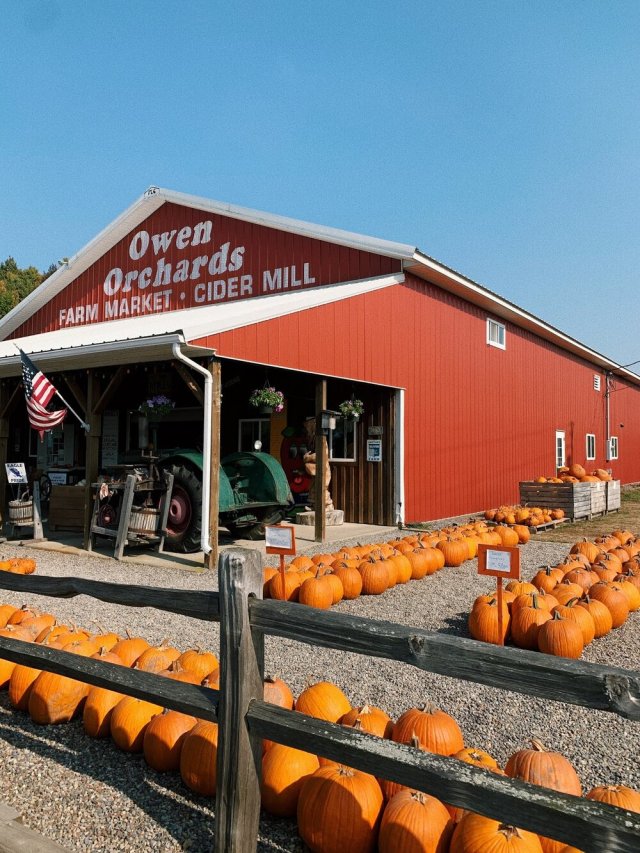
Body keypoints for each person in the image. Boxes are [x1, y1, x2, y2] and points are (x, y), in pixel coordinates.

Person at [302, 416, 334, 512]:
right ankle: (314, 505)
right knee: (314, 488)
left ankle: (328, 505)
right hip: (316, 470)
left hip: (323, 469)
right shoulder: (313, 439)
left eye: (308, 426)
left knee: (322, 488)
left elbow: (321, 454)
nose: (306, 429)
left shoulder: (320, 438)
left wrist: (307, 457)